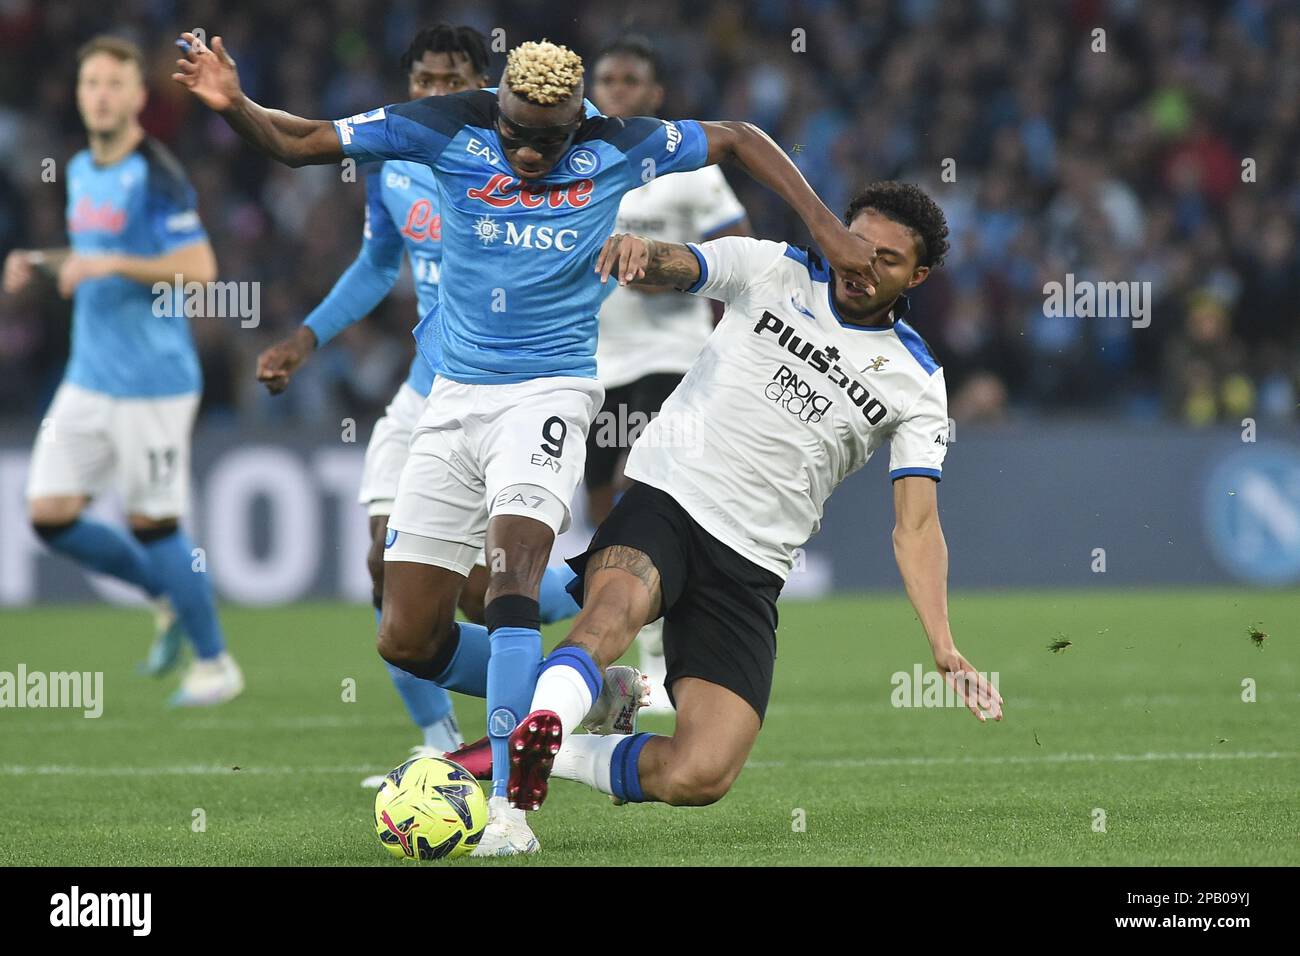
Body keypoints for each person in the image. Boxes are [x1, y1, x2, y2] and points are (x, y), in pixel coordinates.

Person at [173, 32, 880, 855]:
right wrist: (235, 104)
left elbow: (738, 138)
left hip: (549, 392)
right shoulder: (445, 125)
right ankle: (594, 691)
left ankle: (510, 807)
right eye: (516, 134)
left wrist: (826, 227)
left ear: (579, 119)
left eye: (549, 138)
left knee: (511, 582)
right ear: (496, 107)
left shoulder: (618, 142)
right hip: (452, 396)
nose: (530, 152)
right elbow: (302, 142)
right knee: (407, 634)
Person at [505, 182, 1003, 828]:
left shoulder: (917, 380)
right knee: (615, 611)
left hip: (751, 568)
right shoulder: (774, 270)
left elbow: (916, 525)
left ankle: (555, 745)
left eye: (887, 260)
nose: (862, 264)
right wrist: (637, 252)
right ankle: (537, 737)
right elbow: (683, 263)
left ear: (920, 275)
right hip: (670, 501)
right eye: (855, 244)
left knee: (702, 771)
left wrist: (942, 641)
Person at [5, 36, 240, 706]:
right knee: (49, 514)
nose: (100, 95)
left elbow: (201, 271)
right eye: (91, 84)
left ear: (139, 98)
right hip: (88, 375)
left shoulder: (157, 171)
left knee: (154, 524)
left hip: (153, 381)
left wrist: (107, 266)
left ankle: (217, 663)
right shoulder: (81, 169)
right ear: (79, 95)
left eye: (114, 84)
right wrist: (43, 260)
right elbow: (95, 250)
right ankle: (164, 594)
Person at [584, 36, 752, 713]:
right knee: (599, 501)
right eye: (609, 79)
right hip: (594, 363)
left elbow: (739, 244)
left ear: (654, 96)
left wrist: (676, 270)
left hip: (674, 358)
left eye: (632, 81)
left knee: (640, 484)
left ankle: (655, 658)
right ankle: (624, 654)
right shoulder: (582, 166)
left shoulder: (689, 168)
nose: (619, 90)